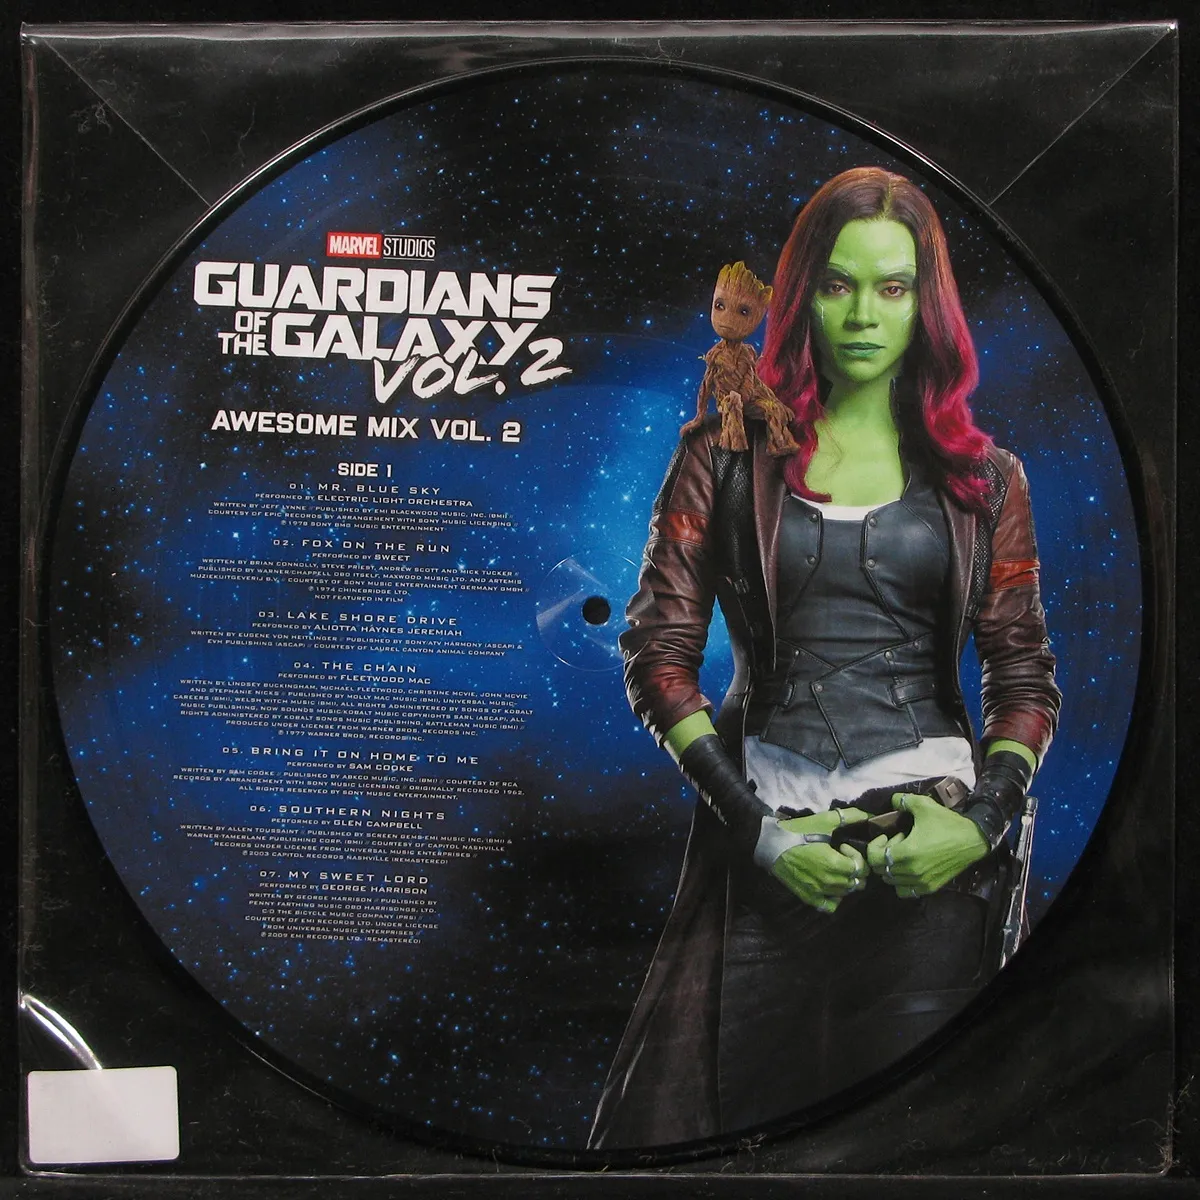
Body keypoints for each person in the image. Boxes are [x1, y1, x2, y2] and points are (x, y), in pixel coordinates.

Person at [588, 167, 1061, 1149]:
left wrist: (981, 826)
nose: (864, 315)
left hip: (934, 858)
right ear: (803, 295)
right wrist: (757, 831)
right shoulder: (721, 456)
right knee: (738, 1146)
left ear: (926, 306)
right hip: (771, 848)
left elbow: (1022, 673)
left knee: (918, 1146)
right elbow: (658, 655)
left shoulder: (989, 480)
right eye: (840, 284)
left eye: (893, 287)